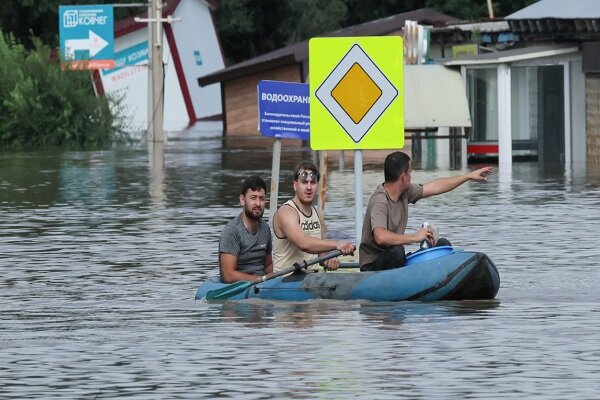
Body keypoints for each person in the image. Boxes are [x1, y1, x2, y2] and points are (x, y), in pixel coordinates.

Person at [359, 151, 492, 272]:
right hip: (373, 266)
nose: (411, 176)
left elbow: (435, 187)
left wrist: (468, 176)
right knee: (397, 251)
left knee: (443, 244)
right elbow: (380, 237)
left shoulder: (405, 193)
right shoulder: (380, 201)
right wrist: (415, 237)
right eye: (410, 173)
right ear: (403, 176)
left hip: (395, 260)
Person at [272, 161, 355, 272]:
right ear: (295, 185)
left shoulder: (317, 214)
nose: (309, 187)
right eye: (304, 182)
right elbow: (303, 243)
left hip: (312, 278)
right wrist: (337, 244)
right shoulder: (286, 212)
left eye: (313, 182)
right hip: (286, 280)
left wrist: (329, 259)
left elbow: (321, 254)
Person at [219, 176, 273, 283]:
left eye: (261, 199)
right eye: (253, 198)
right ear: (242, 200)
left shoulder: (265, 228)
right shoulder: (232, 231)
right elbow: (228, 275)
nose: (258, 203)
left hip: (263, 284)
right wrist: (259, 280)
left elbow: (268, 266)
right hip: (241, 288)